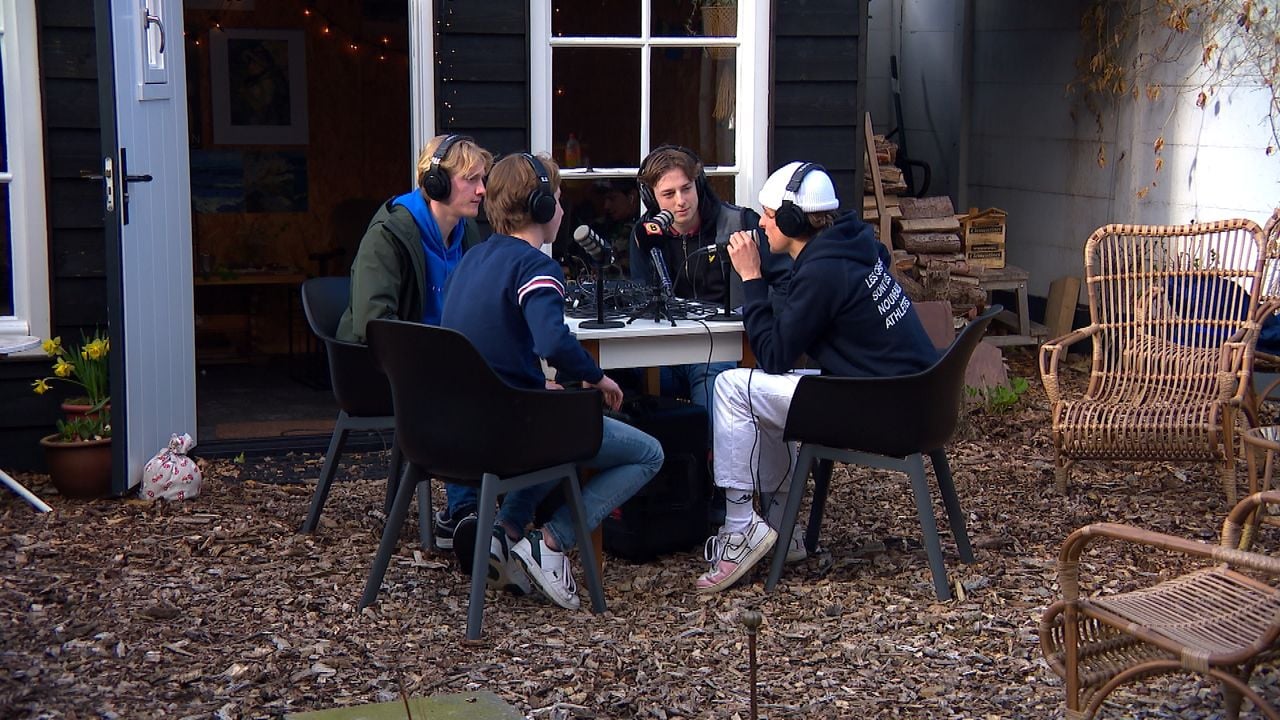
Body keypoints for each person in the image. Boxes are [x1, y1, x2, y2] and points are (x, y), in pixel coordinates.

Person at [695, 162, 938, 593]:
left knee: (732, 386)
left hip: (881, 410)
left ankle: (740, 528)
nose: (762, 223)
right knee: (768, 392)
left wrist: (751, 277)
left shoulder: (824, 272)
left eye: (769, 215)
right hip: (912, 399)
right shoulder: (854, 246)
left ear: (793, 220)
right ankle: (779, 527)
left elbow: (773, 355)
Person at [440, 152, 664, 610]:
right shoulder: (537, 267)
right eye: (558, 199)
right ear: (542, 207)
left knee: (555, 421)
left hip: (463, 426)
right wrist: (599, 378)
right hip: (513, 433)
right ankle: (554, 542)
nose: (562, 210)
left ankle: (504, 534)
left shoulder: (473, 258)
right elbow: (553, 342)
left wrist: (534, 386)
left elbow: (485, 342)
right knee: (648, 453)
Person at [627, 145, 792, 415]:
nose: (680, 200)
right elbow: (641, 296)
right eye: (669, 194)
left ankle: (711, 455)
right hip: (665, 351)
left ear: (698, 185)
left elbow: (786, 283)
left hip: (724, 349)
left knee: (710, 379)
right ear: (651, 198)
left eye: (687, 188)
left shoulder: (740, 222)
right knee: (620, 374)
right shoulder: (644, 235)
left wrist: (755, 319)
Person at [335, 134, 492, 344]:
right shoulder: (387, 236)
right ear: (437, 182)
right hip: (389, 366)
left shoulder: (467, 231)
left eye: (482, 179)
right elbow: (374, 325)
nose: (482, 190)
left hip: (446, 361)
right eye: (471, 178)